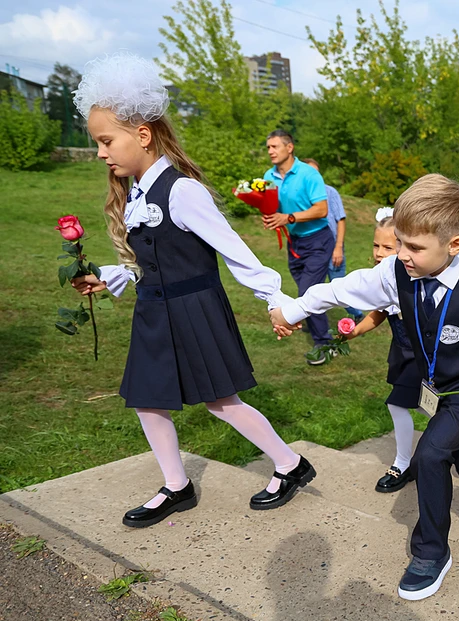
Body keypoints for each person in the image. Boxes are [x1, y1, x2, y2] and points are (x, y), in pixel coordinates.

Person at [70, 53, 313, 528]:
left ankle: (290, 464)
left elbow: (234, 249)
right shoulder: (136, 193)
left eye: (106, 141)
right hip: (154, 310)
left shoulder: (183, 192)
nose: (102, 152)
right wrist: (108, 274)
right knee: (146, 398)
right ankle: (176, 486)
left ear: (142, 135)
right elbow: (148, 263)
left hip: (195, 308)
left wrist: (275, 298)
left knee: (221, 401)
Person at [271, 174, 459, 600]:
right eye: (399, 242)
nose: (402, 254)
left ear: (455, 245)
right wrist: (295, 309)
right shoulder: (396, 272)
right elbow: (341, 288)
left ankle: (430, 552)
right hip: (434, 383)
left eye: (414, 247)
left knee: (430, 453)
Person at [341, 213, 419, 492]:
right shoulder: (385, 278)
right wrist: (357, 330)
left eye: (387, 247)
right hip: (401, 350)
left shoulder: (414, 276)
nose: (378, 253)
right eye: (376, 246)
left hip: (424, 354)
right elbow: (380, 312)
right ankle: (405, 461)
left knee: (412, 404)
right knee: (402, 403)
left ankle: (413, 459)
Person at [263, 130, 334, 365]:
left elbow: (321, 210)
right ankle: (314, 322)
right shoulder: (268, 176)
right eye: (268, 148)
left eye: (275, 147)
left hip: (318, 241)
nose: (271, 151)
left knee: (307, 292)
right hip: (294, 243)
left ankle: (324, 344)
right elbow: (272, 206)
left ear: (289, 147)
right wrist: (270, 216)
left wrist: (288, 218)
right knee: (308, 292)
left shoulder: (308, 174)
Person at [303, 162, 365, 323]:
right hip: (312, 249)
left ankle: (357, 314)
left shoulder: (330, 193)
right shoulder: (301, 195)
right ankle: (311, 321)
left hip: (332, 249)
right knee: (311, 288)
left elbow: (341, 221)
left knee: (338, 288)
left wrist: (338, 248)